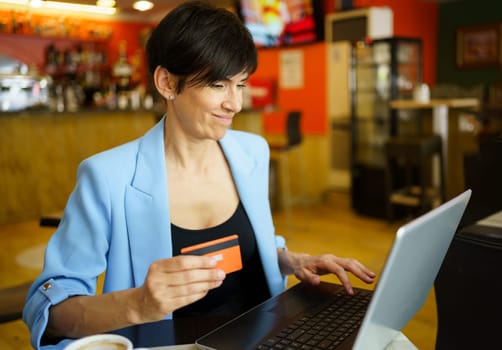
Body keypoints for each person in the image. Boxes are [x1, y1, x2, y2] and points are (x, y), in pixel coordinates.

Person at [23, 2, 376, 349]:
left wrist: (291, 260)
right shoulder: (107, 177)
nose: (235, 104)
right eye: (218, 85)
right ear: (167, 83)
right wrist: (138, 304)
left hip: (270, 336)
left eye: (241, 84)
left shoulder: (252, 152)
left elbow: (244, 246)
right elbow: (49, 313)